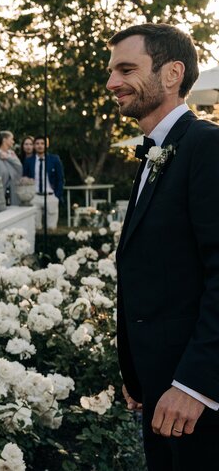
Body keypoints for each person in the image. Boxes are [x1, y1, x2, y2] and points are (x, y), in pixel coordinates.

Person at [108, 23, 219, 470]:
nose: (112, 82)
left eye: (126, 69)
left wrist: (195, 385)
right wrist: (139, 373)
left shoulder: (207, 146)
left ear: (172, 74)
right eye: (112, 70)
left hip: (195, 400)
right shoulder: (155, 152)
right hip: (159, 388)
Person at [22, 135, 64, 229]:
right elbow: (25, 178)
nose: (40, 146)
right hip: (35, 196)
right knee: (36, 227)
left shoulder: (54, 159)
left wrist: (57, 195)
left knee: (51, 227)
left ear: (46, 145)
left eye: (42, 143)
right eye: (37, 144)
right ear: (34, 146)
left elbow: (60, 178)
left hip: (50, 196)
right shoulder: (29, 161)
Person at [0, 131, 23, 205]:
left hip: (13, 190)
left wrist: (8, 157)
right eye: (11, 139)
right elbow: (2, 172)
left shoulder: (11, 153)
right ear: (4, 140)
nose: (13, 141)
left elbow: (19, 167)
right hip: (1, 189)